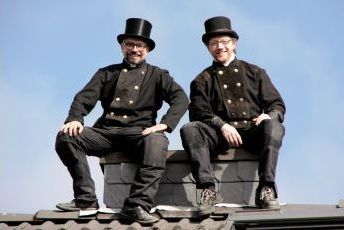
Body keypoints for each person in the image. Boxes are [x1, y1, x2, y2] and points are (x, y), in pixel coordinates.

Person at [55, 18, 189, 224]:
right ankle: (86, 199)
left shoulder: (158, 75)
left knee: (158, 141)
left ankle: (136, 205)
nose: (134, 49)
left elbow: (180, 98)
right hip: (106, 133)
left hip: (140, 133)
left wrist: (165, 124)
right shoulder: (106, 73)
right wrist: (75, 118)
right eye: (130, 44)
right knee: (66, 136)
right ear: (122, 47)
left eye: (140, 45)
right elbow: (83, 97)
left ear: (147, 49)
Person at [180, 16, 286, 216]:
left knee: (274, 126)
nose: (219, 47)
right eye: (214, 43)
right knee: (190, 129)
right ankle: (207, 190)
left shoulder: (255, 72)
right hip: (220, 135)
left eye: (224, 42)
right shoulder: (201, 80)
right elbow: (197, 112)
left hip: (252, 130)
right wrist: (221, 125)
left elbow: (277, 105)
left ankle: (266, 189)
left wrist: (269, 116)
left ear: (234, 44)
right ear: (208, 48)